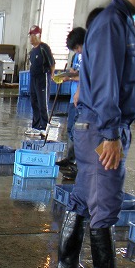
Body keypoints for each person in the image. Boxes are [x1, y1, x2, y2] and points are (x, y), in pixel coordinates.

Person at [55, 0, 135, 268]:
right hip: (102, 128)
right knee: (106, 200)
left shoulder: (123, 23)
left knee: (84, 196)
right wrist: (111, 133)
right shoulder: (112, 22)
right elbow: (107, 81)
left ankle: (67, 261)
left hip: (100, 126)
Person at [56, 27, 86, 179]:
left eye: (77, 47)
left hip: (84, 100)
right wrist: (67, 75)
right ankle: (70, 158)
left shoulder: (91, 55)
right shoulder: (77, 56)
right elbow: (75, 71)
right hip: (73, 98)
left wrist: (74, 80)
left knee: (80, 132)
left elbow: (88, 77)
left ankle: (79, 165)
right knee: (70, 130)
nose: (77, 50)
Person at [25, 25, 55, 137]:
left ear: (38, 35)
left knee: (43, 103)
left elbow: (52, 63)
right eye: (30, 35)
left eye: (33, 35)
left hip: (43, 78)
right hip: (33, 78)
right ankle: (36, 126)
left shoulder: (44, 48)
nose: (31, 38)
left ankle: (44, 126)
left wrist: (51, 75)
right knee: (34, 102)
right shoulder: (32, 51)